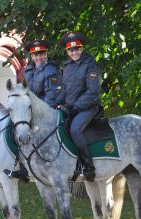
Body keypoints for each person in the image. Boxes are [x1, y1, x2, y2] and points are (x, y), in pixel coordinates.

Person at [5, 39, 61, 181]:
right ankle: (22, 168)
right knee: (14, 128)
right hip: (29, 109)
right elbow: (25, 92)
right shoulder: (29, 70)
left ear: (46, 53)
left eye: (41, 53)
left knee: (31, 132)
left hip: (45, 110)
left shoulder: (51, 70)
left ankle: (45, 166)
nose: (38, 57)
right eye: (35, 54)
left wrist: (37, 111)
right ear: (31, 55)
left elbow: (52, 95)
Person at [56, 31, 102, 182]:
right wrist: (55, 104)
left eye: (77, 49)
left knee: (75, 130)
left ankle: (89, 167)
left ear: (82, 49)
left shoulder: (90, 64)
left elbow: (93, 91)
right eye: (71, 50)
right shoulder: (67, 66)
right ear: (67, 51)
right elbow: (64, 90)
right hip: (70, 107)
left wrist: (76, 107)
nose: (74, 52)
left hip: (88, 107)